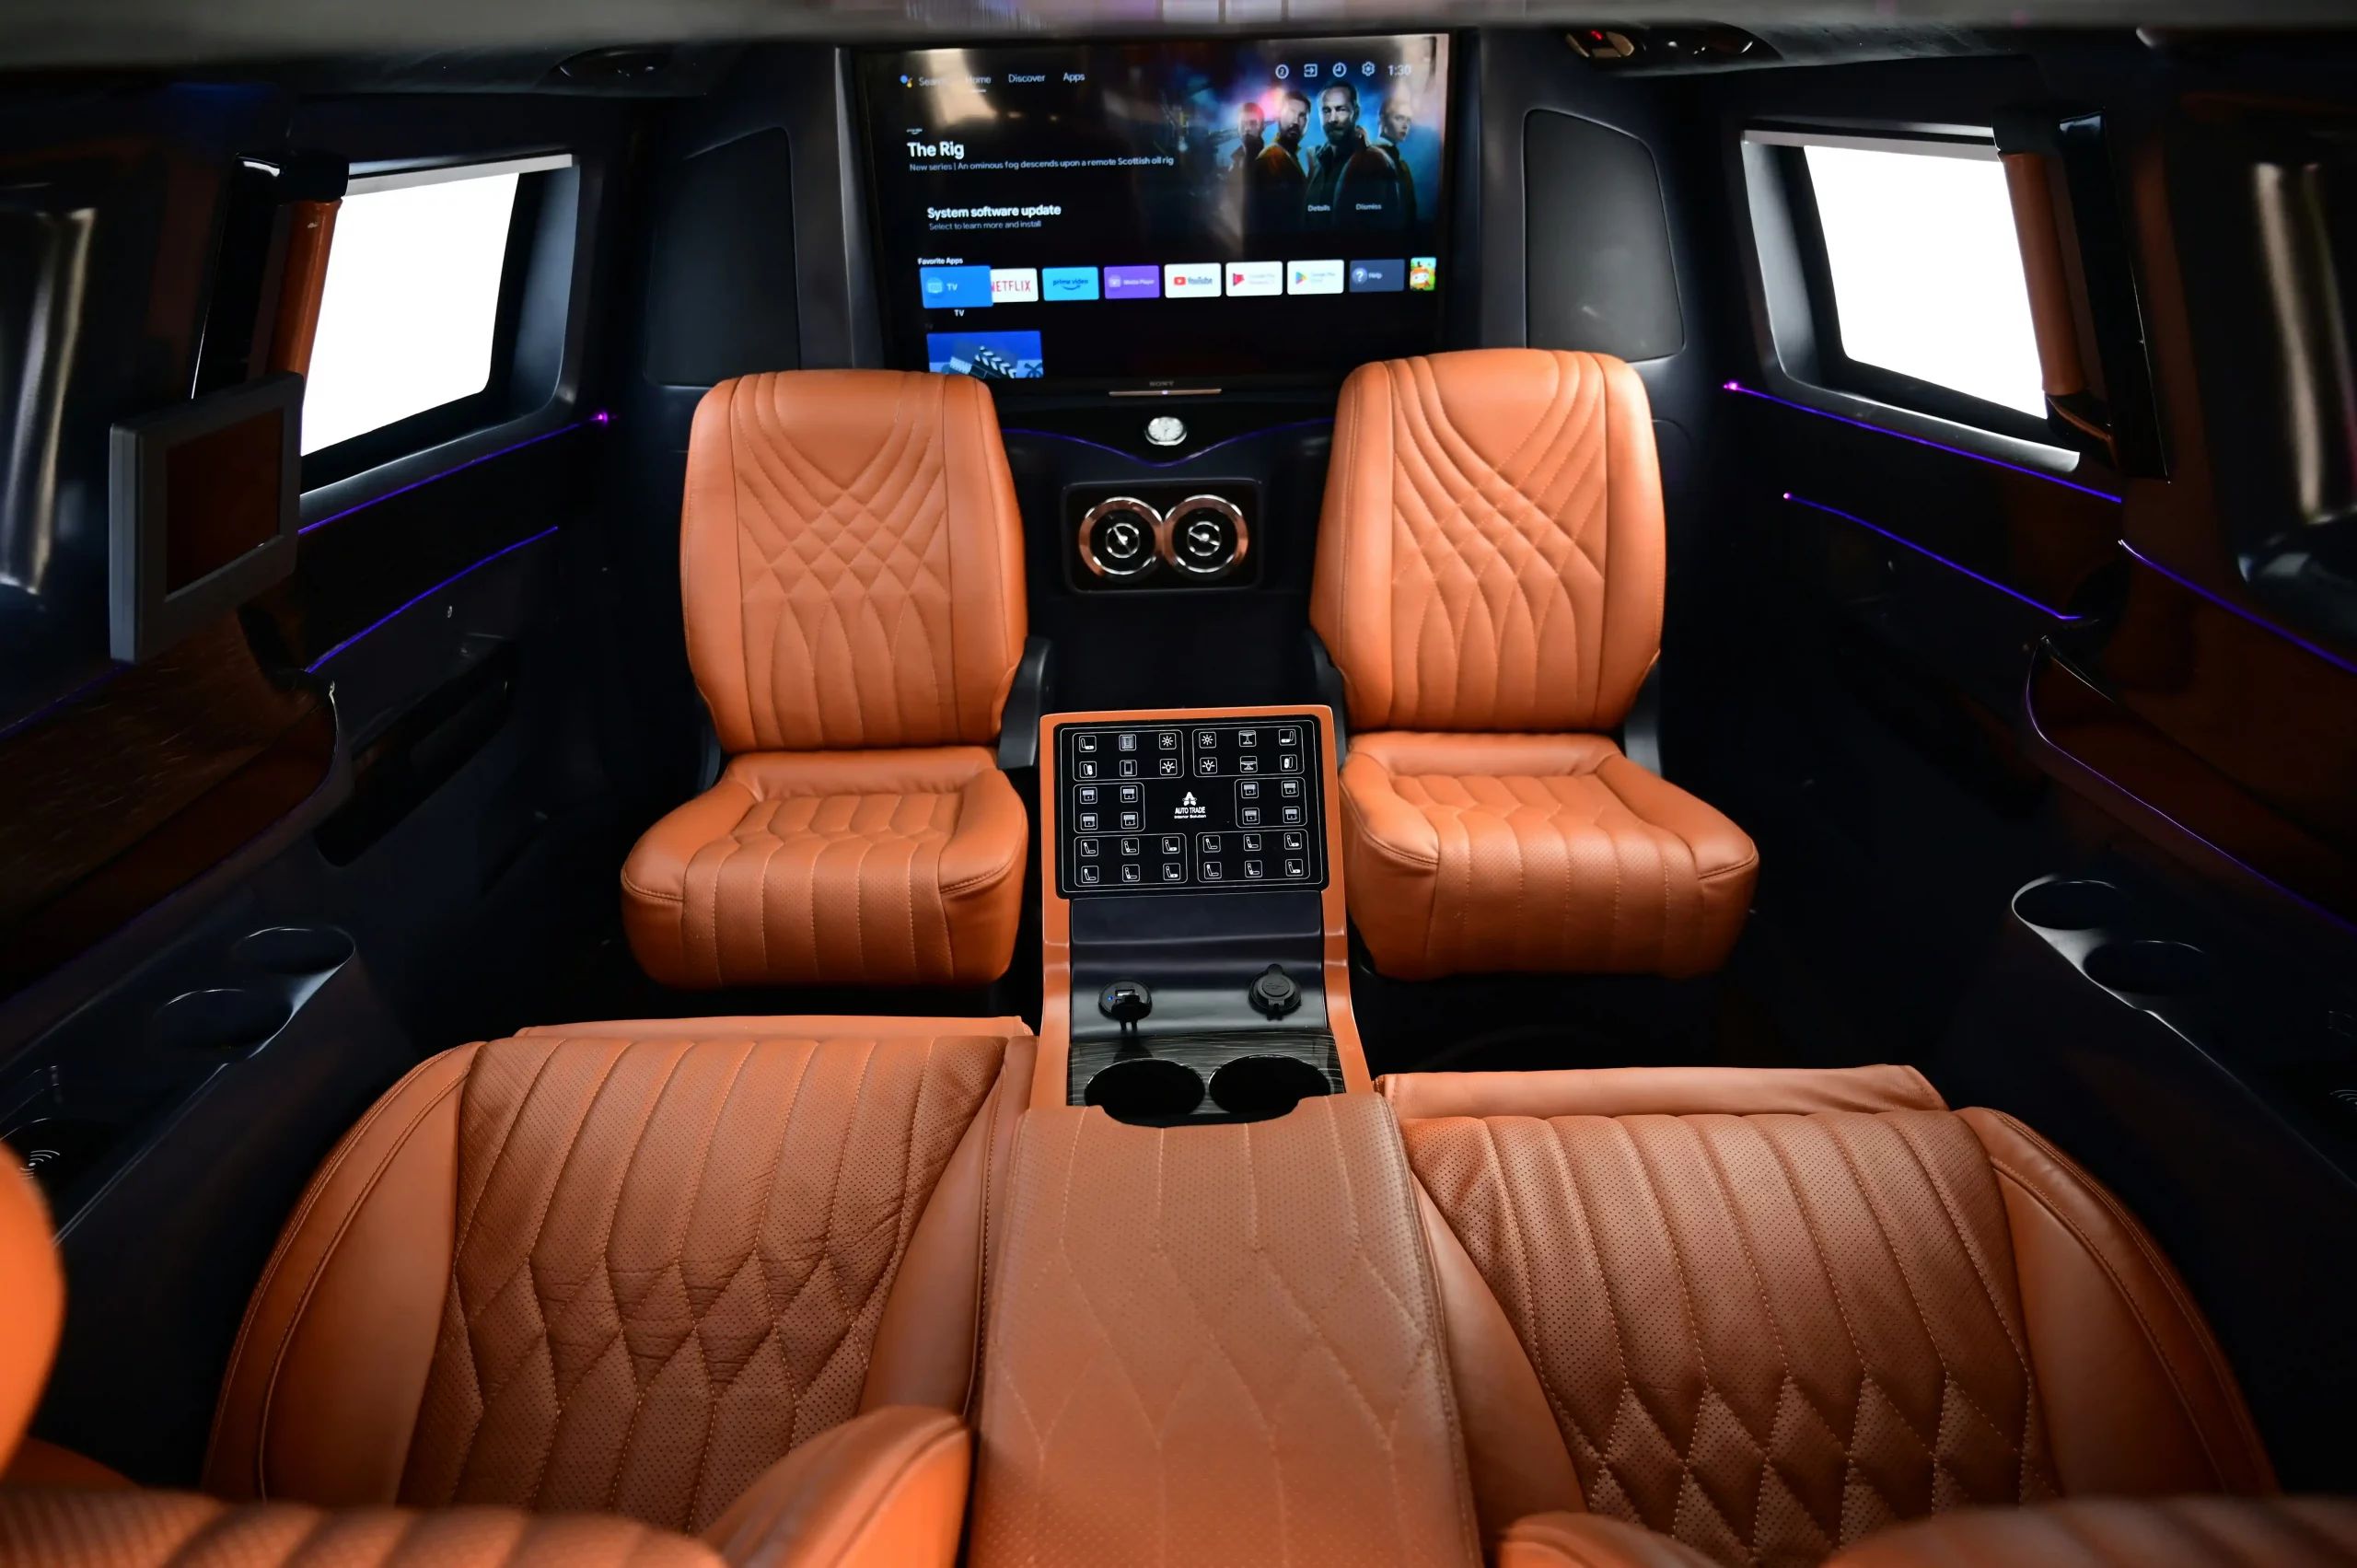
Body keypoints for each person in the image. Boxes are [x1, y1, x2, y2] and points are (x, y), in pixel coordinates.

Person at [1304, 80, 1402, 231]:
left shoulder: (1376, 162)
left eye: (1340, 109)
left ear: (1355, 112)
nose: (1332, 119)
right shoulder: (1316, 162)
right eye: (1326, 111)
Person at [1247, 88, 1308, 232]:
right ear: (1279, 116)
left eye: (1302, 115)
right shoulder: (1271, 158)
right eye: (1290, 113)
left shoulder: (1288, 156)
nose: (1295, 121)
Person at [1376, 86, 1417, 226]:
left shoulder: (1400, 163)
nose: (1405, 126)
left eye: (1408, 120)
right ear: (1383, 120)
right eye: (1399, 118)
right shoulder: (1373, 157)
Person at [1228, 99, 1265, 177]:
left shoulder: (1269, 161)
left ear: (1262, 127)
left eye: (1253, 123)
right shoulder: (1235, 163)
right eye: (1243, 124)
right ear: (1237, 128)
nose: (1247, 128)